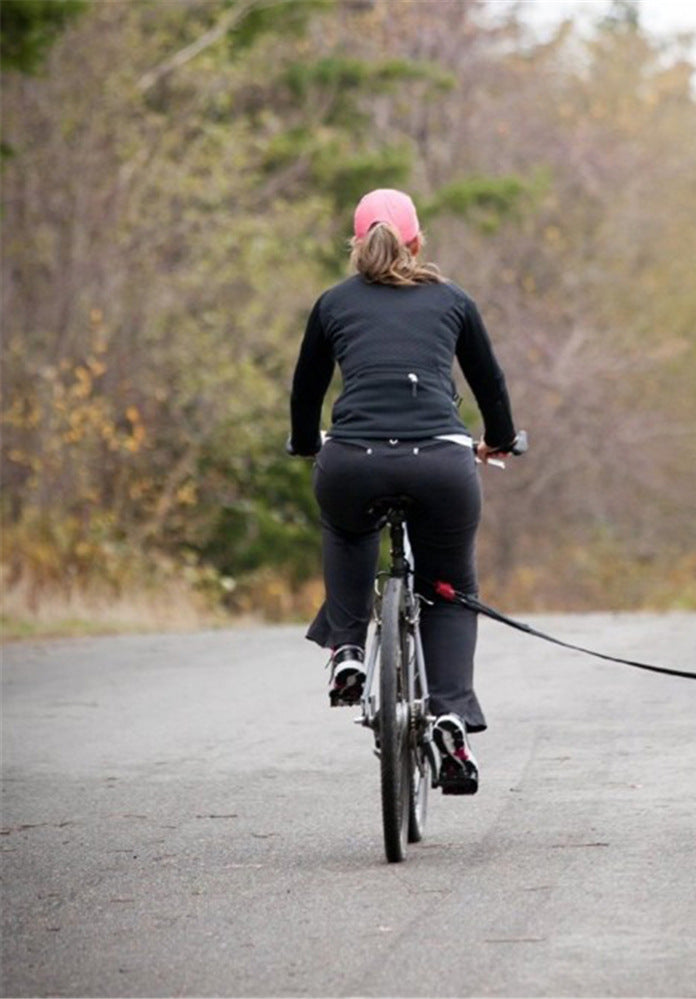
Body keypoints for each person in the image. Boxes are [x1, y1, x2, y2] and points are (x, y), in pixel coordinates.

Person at [288, 188, 519, 796]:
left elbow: (305, 390)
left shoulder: (333, 302)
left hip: (353, 460)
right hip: (442, 464)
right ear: (417, 243)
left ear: (356, 245)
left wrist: (304, 444)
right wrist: (497, 440)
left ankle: (346, 650)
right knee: (452, 591)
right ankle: (449, 714)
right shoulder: (452, 300)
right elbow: (489, 385)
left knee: (346, 526)